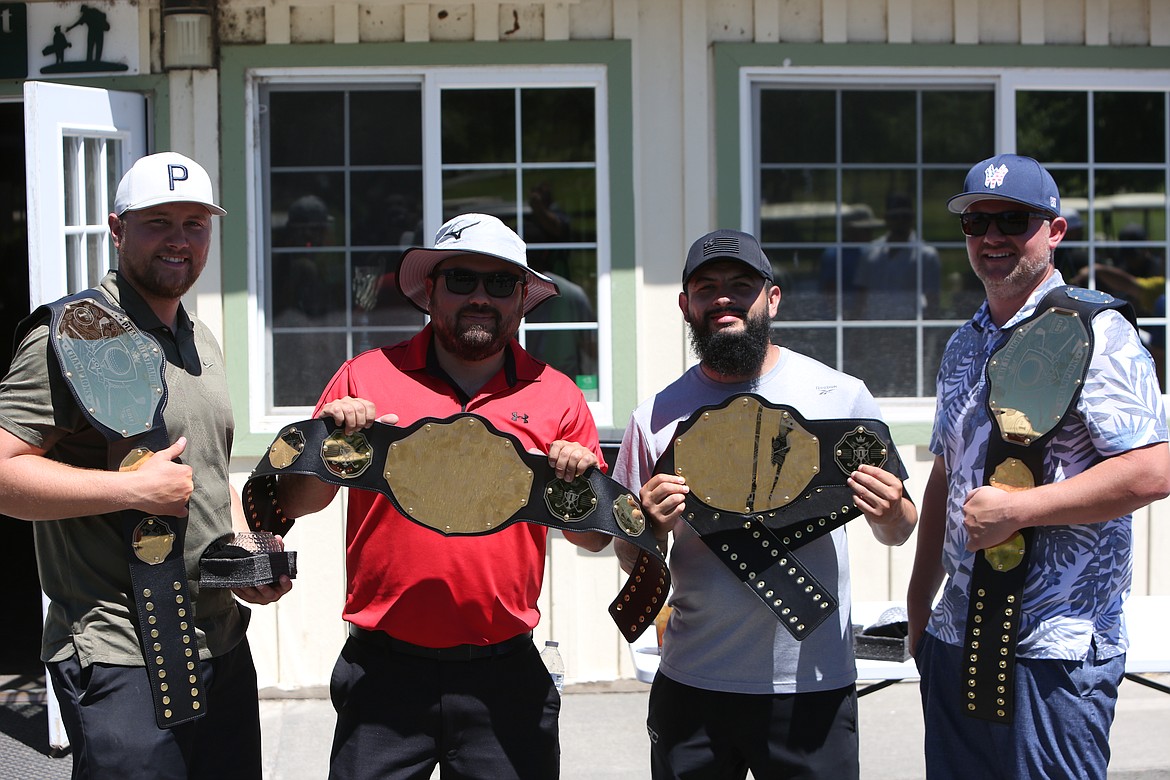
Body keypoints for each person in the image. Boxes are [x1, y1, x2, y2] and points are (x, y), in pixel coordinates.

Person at [274, 212, 611, 780]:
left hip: (505, 679)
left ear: (521, 300)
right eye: (462, 281)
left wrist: (577, 489)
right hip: (384, 675)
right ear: (430, 291)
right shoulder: (365, 378)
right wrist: (332, 445)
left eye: (500, 283)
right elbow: (297, 501)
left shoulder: (556, 396)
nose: (481, 297)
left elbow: (594, 538)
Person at [0, 152, 291, 779]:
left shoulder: (200, 337)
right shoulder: (75, 334)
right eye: (158, 221)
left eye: (195, 223)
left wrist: (242, 558)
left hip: (218, 642)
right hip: (121, 652)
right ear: (116, 229)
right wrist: (127, 489)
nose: (179, 240)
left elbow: (207, 475)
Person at [612, 228, 918, 779]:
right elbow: (630, 555)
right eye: (706, 288)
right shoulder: (653, 418)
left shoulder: (840, 396)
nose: (723, 298)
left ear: (771, 298)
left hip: (812, 683)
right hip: (695, 684)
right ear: (686, 305)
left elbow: (900, 529)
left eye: (741, 285)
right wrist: (648, 528)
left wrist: (892, 509)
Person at [906, 154, 1170, 779]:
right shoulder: (965, 339)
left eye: (1013, 220)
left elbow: (1154, 467)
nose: (993, 237)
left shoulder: (1094, 330)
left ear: (1054, 231)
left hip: (1054, 650)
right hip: (958, 637)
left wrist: (1022, 509)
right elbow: (947, 475)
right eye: (978, 222)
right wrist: (920, 613)